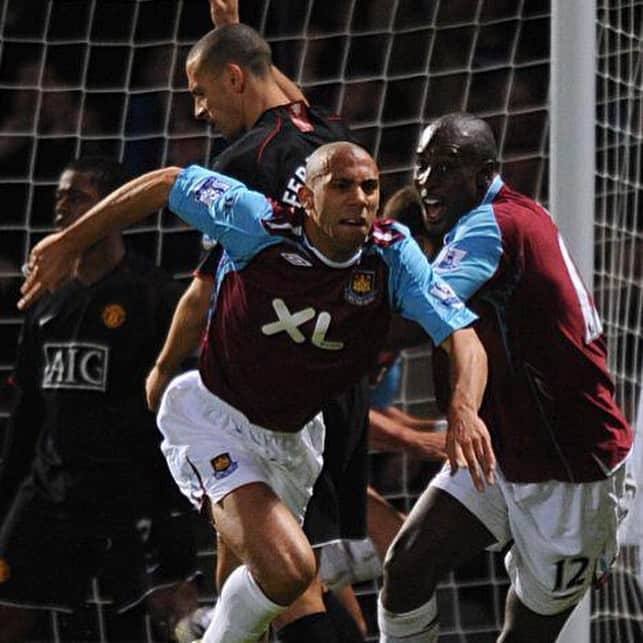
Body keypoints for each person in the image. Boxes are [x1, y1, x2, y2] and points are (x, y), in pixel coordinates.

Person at [18, 140, 494, 643]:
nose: (360, 198)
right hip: (213, 417)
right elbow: (166, 182)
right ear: (307, 197)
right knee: (290, 571)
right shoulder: (256, 222)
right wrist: (69, 242)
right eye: (342, 185)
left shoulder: (391, 254)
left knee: (240, 581)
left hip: (292, 441)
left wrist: (464, 406)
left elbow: (462, 335)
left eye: (370, 186)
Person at [146, 2, 373, 640]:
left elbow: (204, 288)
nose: (198, 110)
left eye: (200, 92)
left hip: (280, 383)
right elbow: (277, 89)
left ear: (236, 79)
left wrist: (164, 366)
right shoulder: (330, 135)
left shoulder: (243, 161)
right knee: (257, 561)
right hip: (340, 374)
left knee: (292, 578)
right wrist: (241, 33)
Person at [377, 112, 634, 643]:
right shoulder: (497, 220)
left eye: (445, 167)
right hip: (500, 450)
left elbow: (416, 319)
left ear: (484, 172)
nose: (426, 181)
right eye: (422, 166)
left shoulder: (492, 227)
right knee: (405, 568)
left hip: (572, 473)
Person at [0, 157, 201, 642]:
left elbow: (176, 412)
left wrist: (172, 510)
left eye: (77, 198)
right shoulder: (46, 300)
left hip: (125, 497)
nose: (63, 208)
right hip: (49, 492)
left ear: (110, 209)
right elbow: (28, 411)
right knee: (9, 612)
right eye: (59, 199)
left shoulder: (155, 297)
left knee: (150, 625)